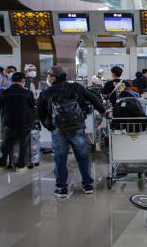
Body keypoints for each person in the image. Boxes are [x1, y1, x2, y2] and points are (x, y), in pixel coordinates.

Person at [37, 66, 107, 198]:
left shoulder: (47, 92)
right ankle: (87, 185)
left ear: (53, 77)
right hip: (77, 127)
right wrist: (103, 110)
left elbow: (40, 113)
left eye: (49, 75)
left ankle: (61, 188)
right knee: (82, 157)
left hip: (58, 130)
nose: (48, 77)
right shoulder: (75, 87)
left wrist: (50, 127)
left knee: (60, 158)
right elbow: (92, 97)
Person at [0, 72, 35, 171]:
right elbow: (32, 105)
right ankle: (20, 166)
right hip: (24, 123)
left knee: (5, 144)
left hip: (8, 122)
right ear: (23, 81)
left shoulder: (3, 93)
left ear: (12, 80)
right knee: (23, 144)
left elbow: (1, 106)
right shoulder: (28, 93)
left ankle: (1, 163)